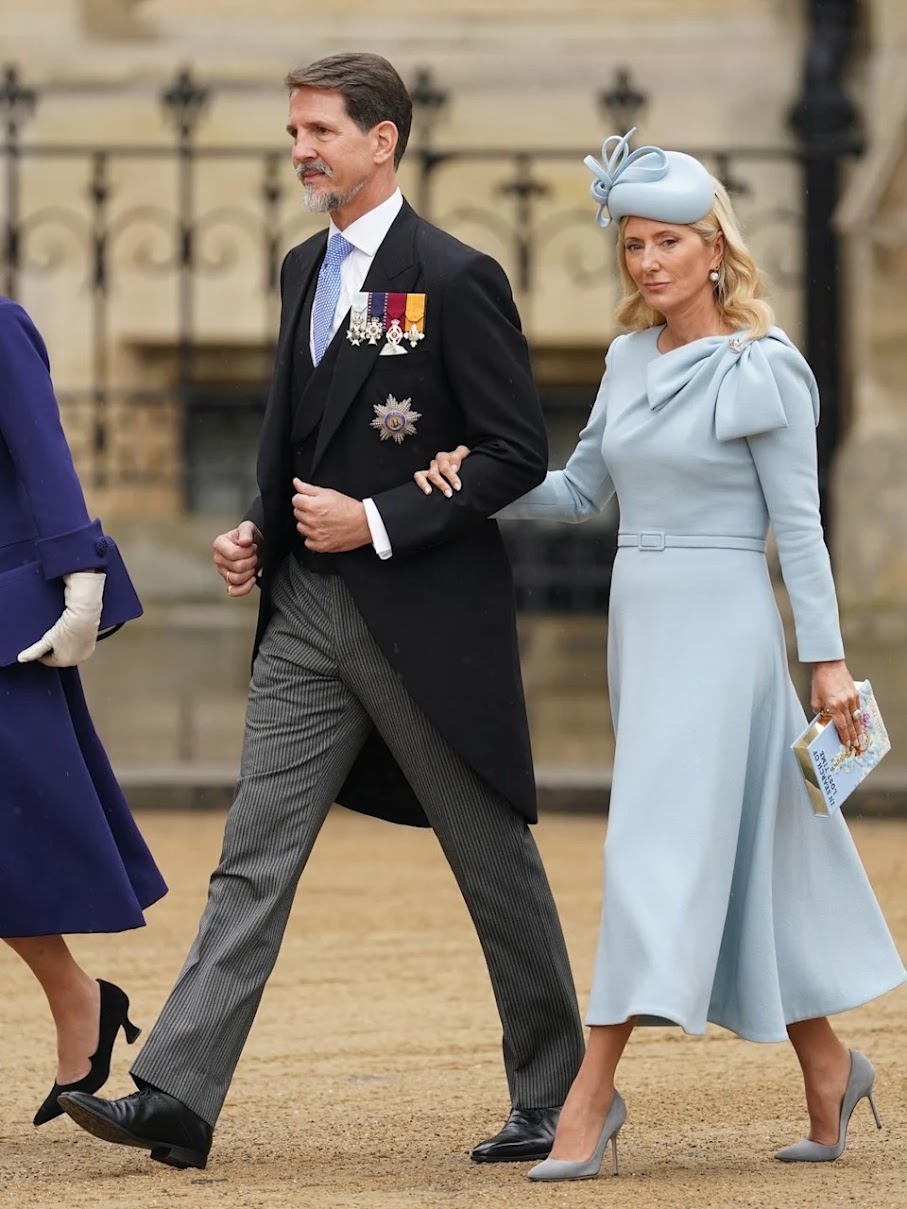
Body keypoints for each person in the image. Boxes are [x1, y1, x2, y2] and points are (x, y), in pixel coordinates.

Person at [58, 52, 584, 1171]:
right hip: (303, 612)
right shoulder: (304, 266)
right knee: (253, 854)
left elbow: (514, 451)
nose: (300, 150)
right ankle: (178, 1093)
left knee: (491, 859)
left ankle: (558, 1095)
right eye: (294, 132)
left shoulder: (457, 275)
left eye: (320, 132)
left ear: (382, 140)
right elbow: (300, 437)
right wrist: (260, 528)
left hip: (422, 622)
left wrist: (378, 518)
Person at [414, 130, 906, 1180]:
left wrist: (823, 660)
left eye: (668, 242)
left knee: (652, 852)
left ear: (714, 248)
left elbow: (800, 528)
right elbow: (578, 492)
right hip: (642, 624)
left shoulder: (766, 368)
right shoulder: (626, 359)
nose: (647, 261)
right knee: (749, 851)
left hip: (726, 630)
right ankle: (829, 1068)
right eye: (633, 244)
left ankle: (588, 1100)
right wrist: (477, 483)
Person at [0, 296, 167, 1126]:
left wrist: (81, 578)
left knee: (18, 839)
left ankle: (77, 998)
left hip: (4, 626)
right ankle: (79, 997)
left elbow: (43, 453)